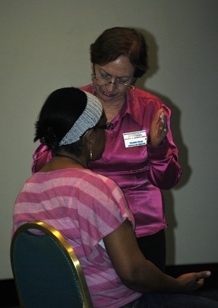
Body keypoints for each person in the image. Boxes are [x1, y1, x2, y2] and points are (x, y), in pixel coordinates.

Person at [13, 87, 218, 308]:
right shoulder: (95, 188)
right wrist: (178, 284)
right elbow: (134, 274)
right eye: (104, 127)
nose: (108, 134)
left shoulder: (27, 191)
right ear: (89, 137)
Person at [32, 27, 182, 272]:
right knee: (95, 304)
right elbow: (41, 169)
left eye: (123, 80)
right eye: (103, 75)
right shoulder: (74, 104)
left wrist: (158, 149)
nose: (110, 87)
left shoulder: (152, 110)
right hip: (85, 225)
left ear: (136, 76)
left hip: (142, 224)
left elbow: (169, 180)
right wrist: (59, 144)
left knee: (152, 300)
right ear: (93, 65)